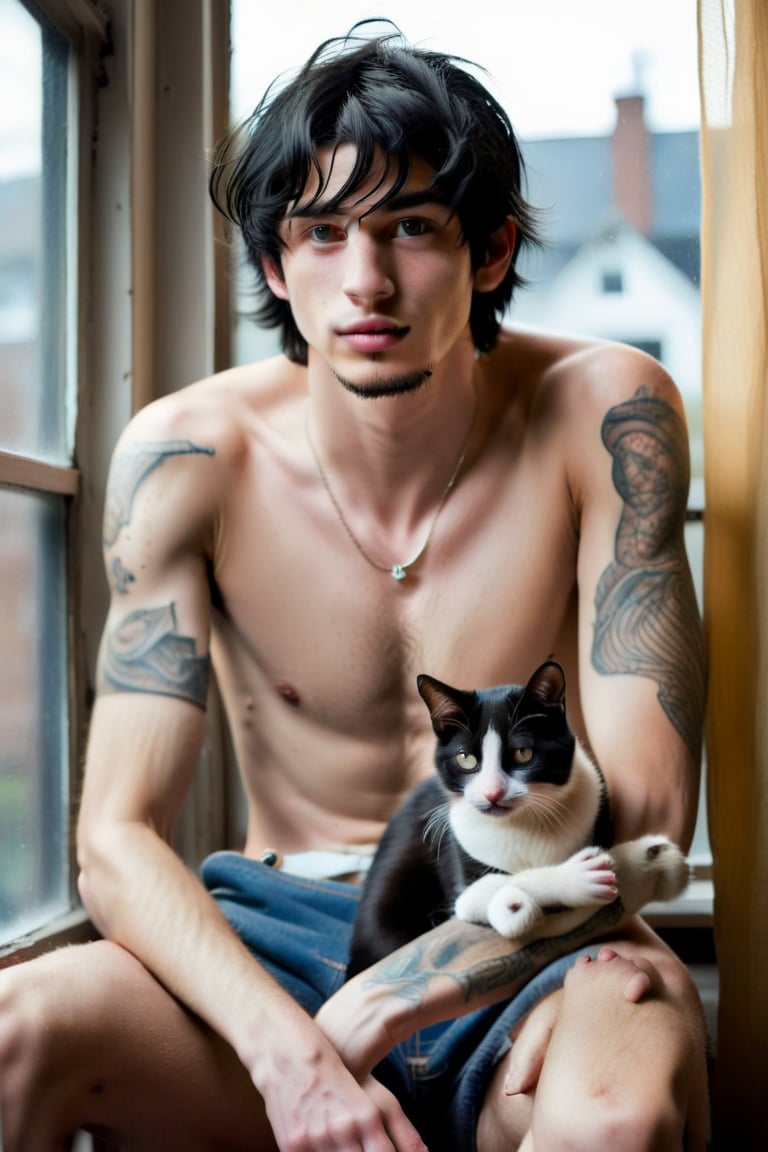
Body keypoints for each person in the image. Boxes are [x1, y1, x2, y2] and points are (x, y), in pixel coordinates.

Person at [0, 22, 709, 1151]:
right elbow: (116, 840)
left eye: (410, 228)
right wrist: (292, 1055)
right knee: (20, 1028)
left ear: (488, 249)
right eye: (321, 233)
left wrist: (384, 1003)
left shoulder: (605, 413)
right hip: (279, 937)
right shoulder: (189, 458)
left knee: (615, 1110)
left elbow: (653, 816)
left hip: (549, 925)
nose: (365, 280)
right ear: (276, 266)